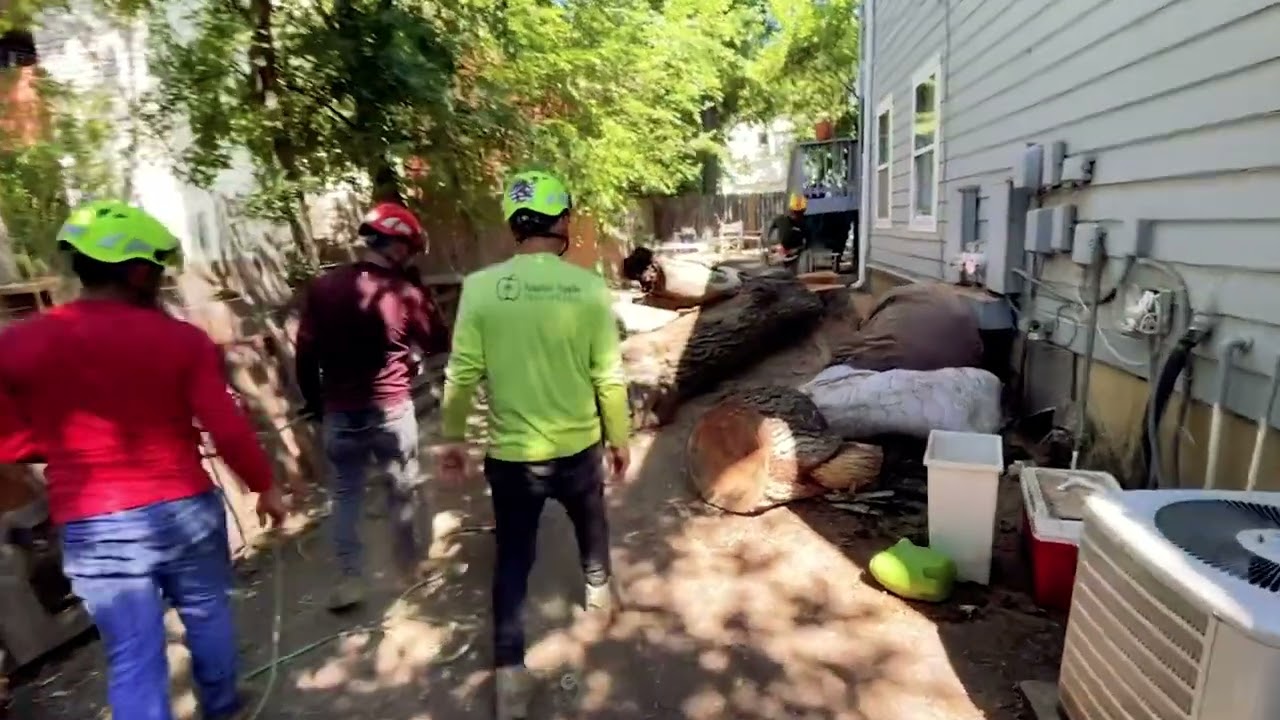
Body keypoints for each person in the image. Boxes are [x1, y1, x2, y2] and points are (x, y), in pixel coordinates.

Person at [0, 200, 289, 720]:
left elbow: (11, 443)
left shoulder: (17, 344)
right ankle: (224, 708)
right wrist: (264, 486)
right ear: (138, 271)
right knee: (207, 614)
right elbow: (226, 426)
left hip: (93, 520)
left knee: (134, 655)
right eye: (156, 267)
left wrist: (61, 449)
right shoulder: (181, 340)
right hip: (183, 509)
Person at [435, 170, 632, 720]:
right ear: (562, 221)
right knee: (591, 522)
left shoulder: (480, 288)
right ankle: (597, 591)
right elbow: (609, 378)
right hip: (578, 451)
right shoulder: (589, 287)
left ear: (514, 225)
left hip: (512, 459)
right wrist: (620, 438)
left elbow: (461, 374)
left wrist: (451, 437)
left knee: (513, 560)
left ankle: (509, 677)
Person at [295, 201, 450, 610]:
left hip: (339, 413)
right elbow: (438, 342)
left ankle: (351, 580)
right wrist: (423, 300)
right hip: (391, 409)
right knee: (401, 487)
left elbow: (305, 353)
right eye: (409, 250)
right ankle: (411, 569)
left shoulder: (323, 288)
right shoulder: (402, 292)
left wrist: (313, 403)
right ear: (398, 247)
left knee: (346, 495)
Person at [768, 192, 812, 272]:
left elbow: (808, 243)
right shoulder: (780, 220)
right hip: (779, 255)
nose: (796, 215)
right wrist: (774, 246)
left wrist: (797, 250)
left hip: (795, 256)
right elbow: (768, 234)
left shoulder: (804, 224)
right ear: (790, 210)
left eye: (799, 213)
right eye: (795, 212)